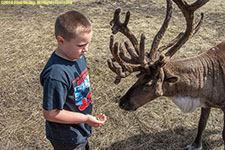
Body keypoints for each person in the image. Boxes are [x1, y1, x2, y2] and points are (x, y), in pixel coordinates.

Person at [40, 10, 106, 150]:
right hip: (66, 136)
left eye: (88, 44)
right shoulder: (56, 75)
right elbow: (51, 113)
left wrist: (87, 118)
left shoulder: (77, 58)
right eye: (81, 45)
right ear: (61, 40)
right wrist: (86, 118)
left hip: (79, 128)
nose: (86, 50)